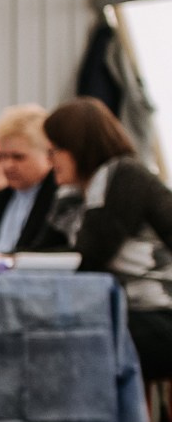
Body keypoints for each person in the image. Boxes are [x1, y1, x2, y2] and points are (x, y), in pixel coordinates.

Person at [45, 98, 172, 378]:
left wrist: (10, 259)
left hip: (159, 313)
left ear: (78, 146)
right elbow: (45, 250)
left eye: (55, 150)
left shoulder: (125, 175)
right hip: (128, 312)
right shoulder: (72, 195)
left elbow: (88, 255)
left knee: (63, 342)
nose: (49, 160)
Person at [0, 104, 65, 252]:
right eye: (3, 156)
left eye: (18, 157)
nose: (8, 165)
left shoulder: (61, 200)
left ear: (48, 155)